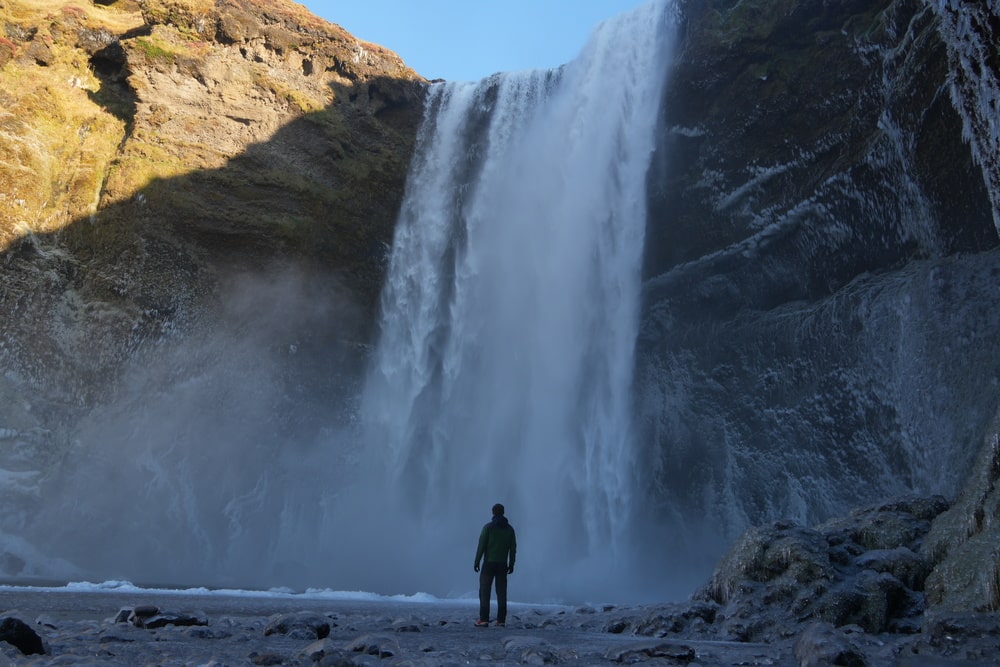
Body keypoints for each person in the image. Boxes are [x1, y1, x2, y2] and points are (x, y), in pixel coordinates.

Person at [473, 503, 517, 627]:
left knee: (485, 591)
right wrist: (512, 564)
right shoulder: (510, 529)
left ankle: (484, 619)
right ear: (503, 512)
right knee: (501, 592)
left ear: (493, 512)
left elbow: (481, 545)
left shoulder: (488, 528)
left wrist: (476, 561)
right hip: (502, 564)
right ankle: (501, 620)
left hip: (489, 563)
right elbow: (513, 548)